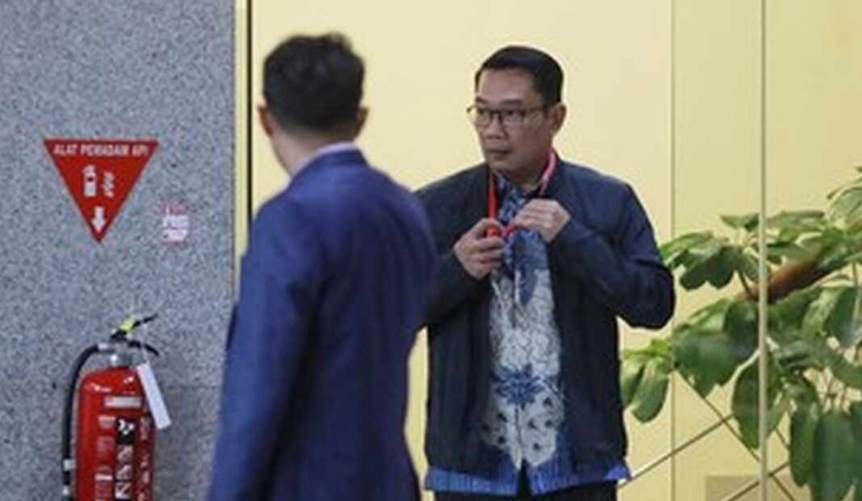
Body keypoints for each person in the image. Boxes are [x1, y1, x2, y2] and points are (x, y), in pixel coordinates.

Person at [417, 45, 675, 501]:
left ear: (555, 117)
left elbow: (654, 305)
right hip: (471, 468)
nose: (493, 130)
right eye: (483, 113)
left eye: (512, 114)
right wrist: (455, 270)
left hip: (576, 467)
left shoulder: (607, 201)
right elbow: (386, 317)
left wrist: (577, 241)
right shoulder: (437, 207)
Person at [208, 33, 435, 501]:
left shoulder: (289, 218)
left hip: (307, 483)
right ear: (360, 117)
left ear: (265, 118)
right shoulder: (404, 208)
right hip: (388, 478)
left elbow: (259, 382)